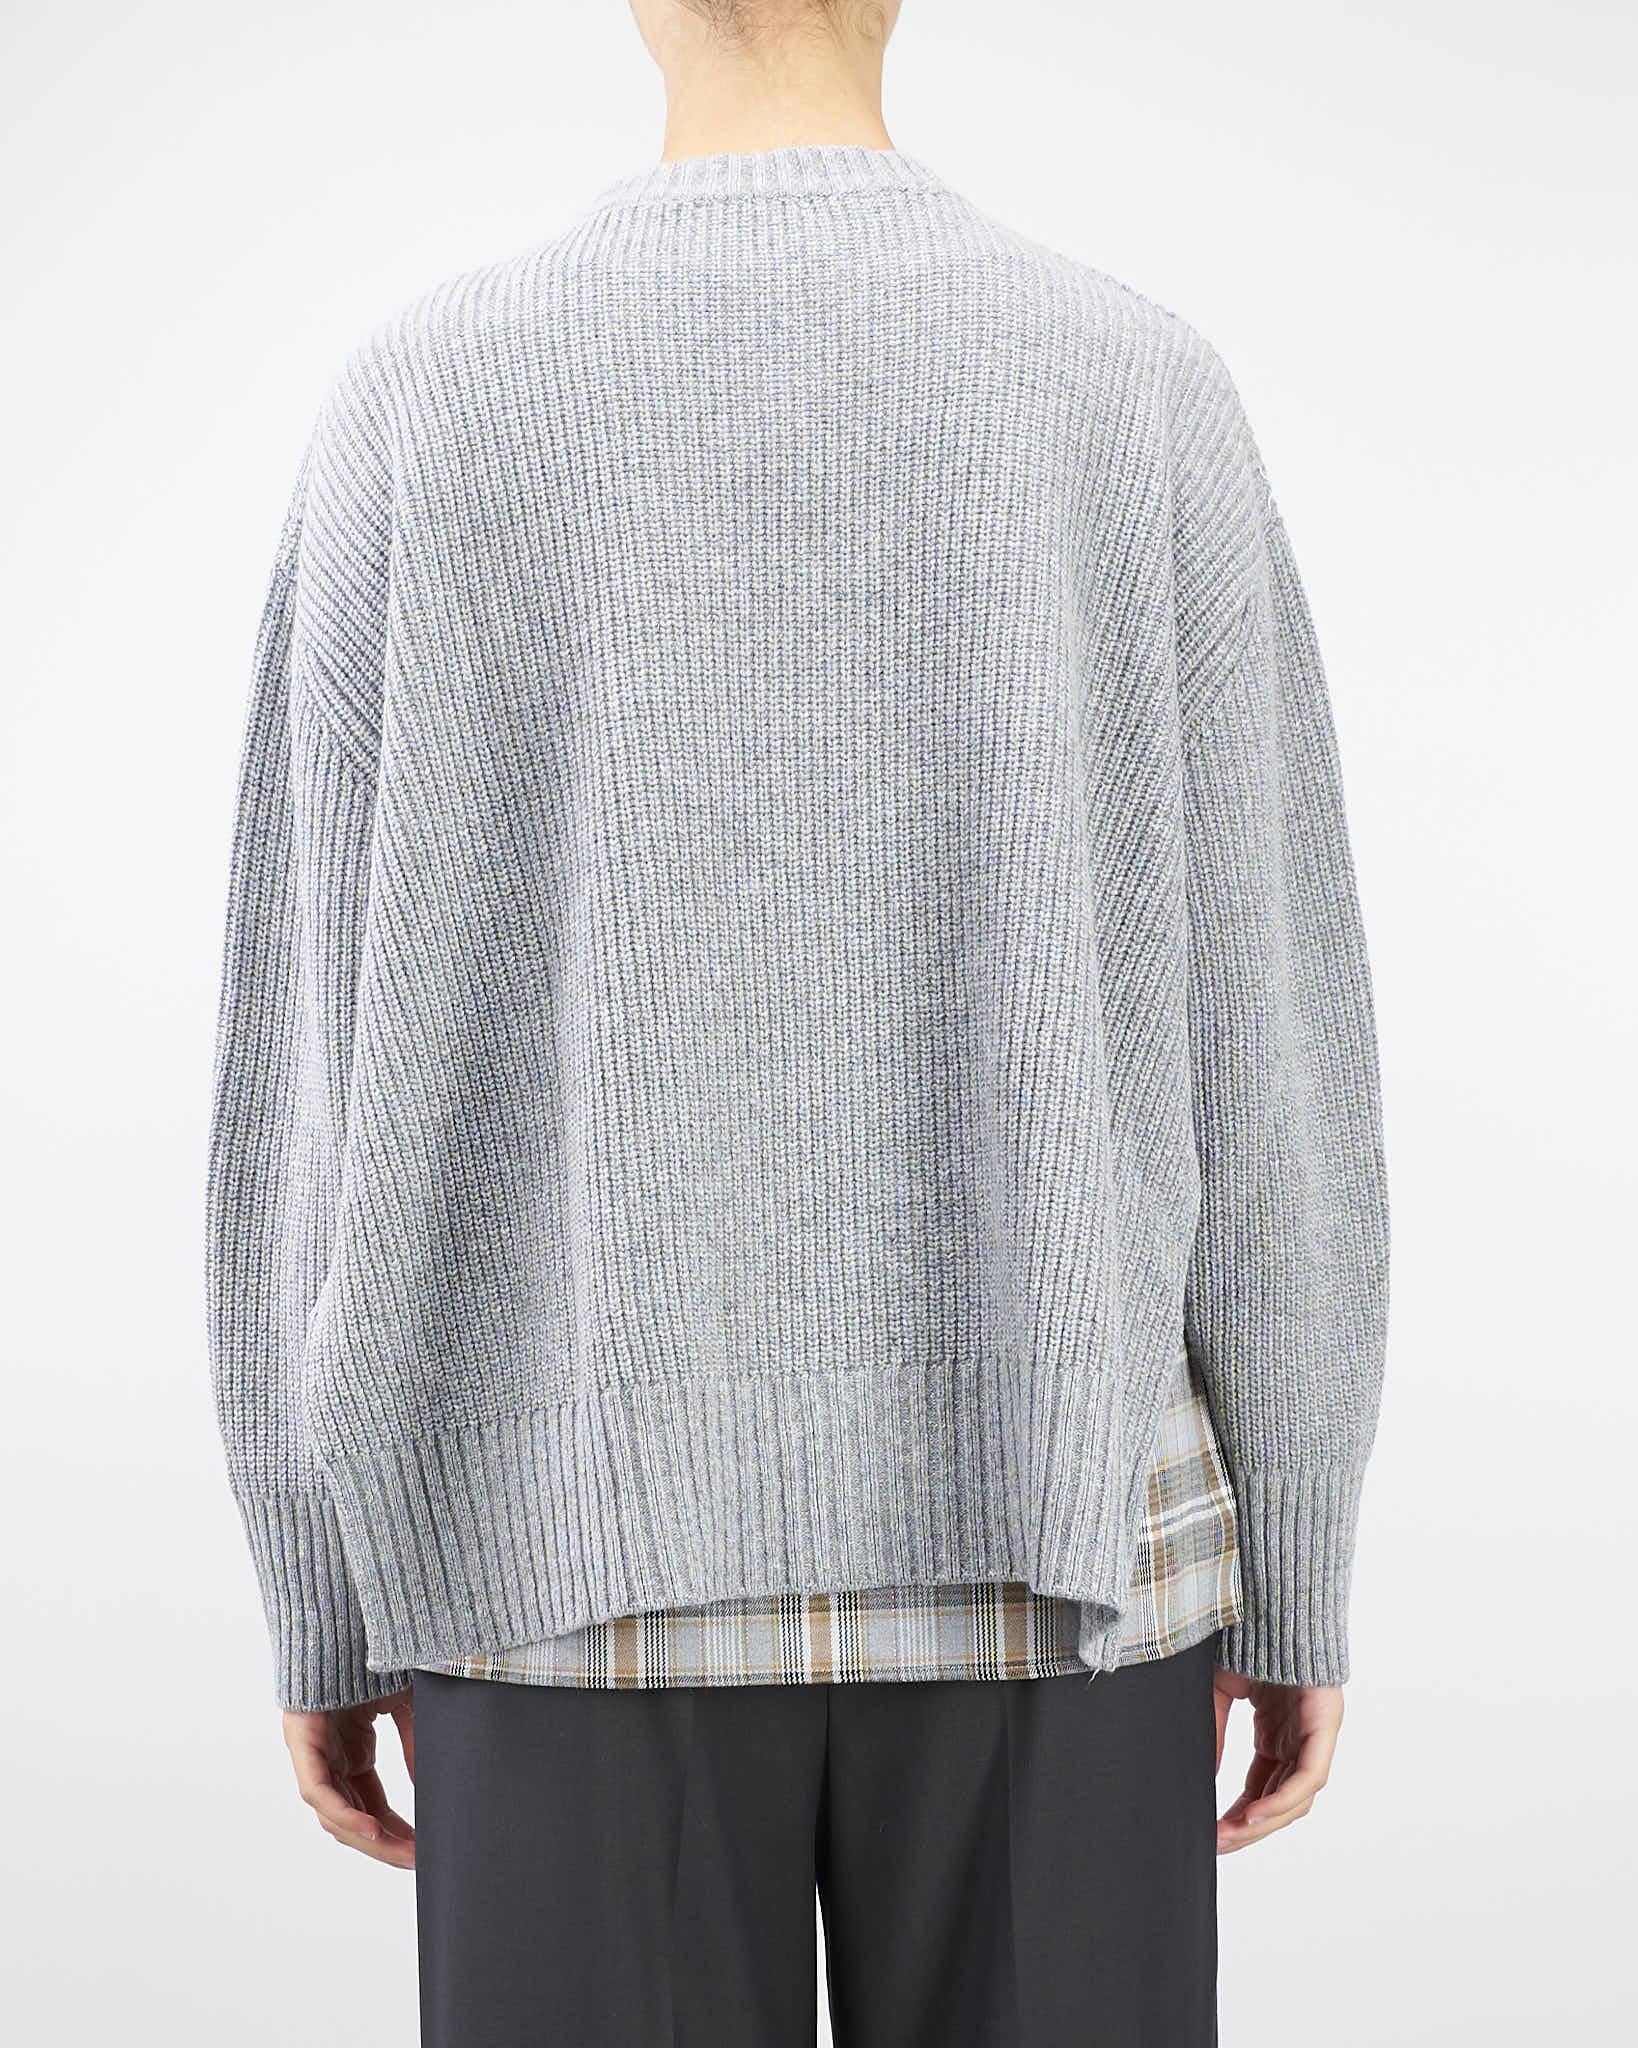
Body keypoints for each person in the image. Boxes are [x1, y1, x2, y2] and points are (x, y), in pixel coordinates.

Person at [204, 1, 1389, 2041]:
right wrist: (1292, 1541)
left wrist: (320, 1577)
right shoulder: (1130, 387)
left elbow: (313, 1071)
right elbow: (1268, 1032)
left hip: (550, 1553)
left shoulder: (428, 398)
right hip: (1065, 1541)